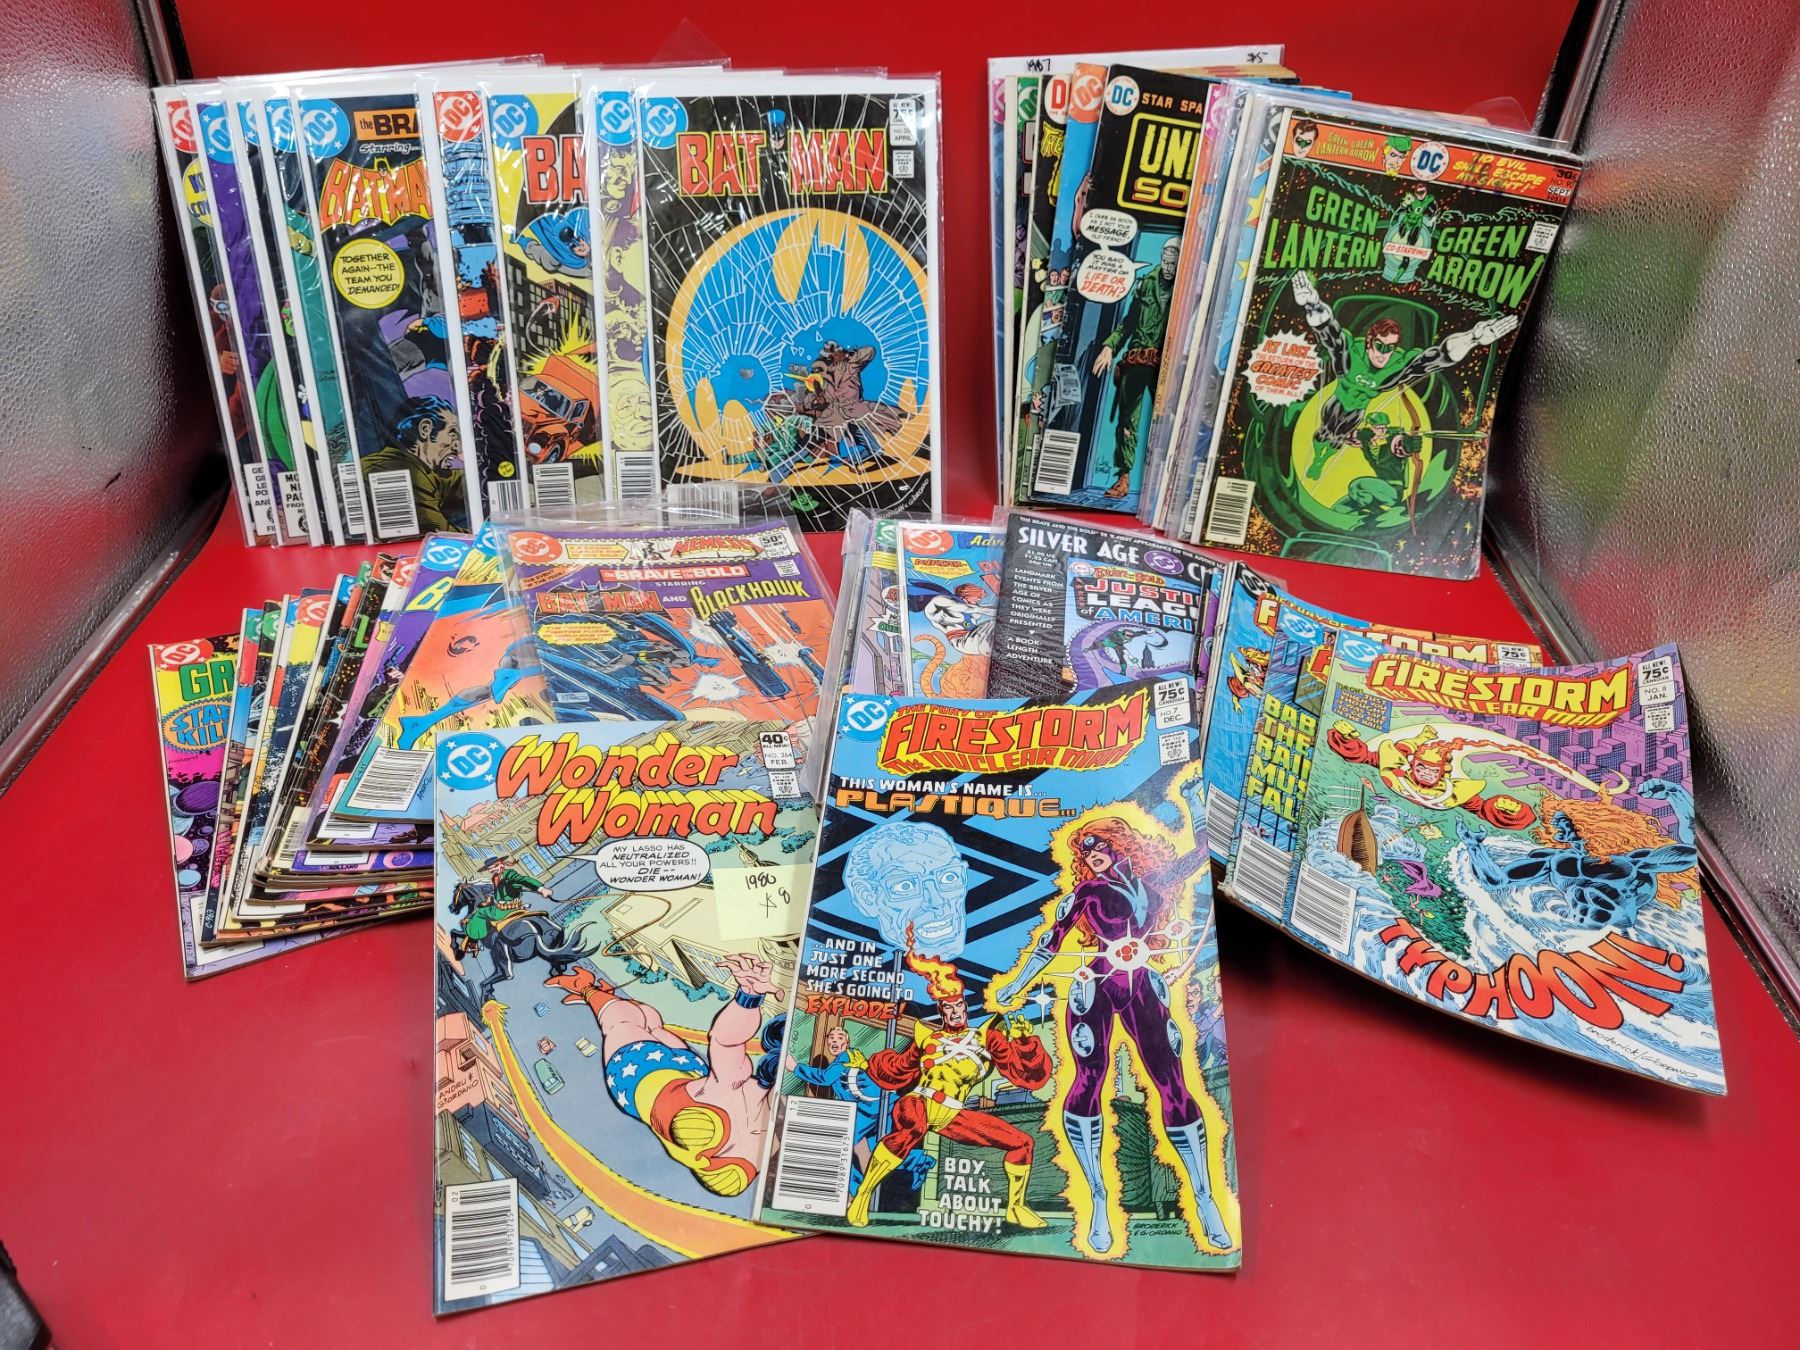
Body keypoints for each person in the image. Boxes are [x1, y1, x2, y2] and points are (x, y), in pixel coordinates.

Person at [993, 818, 1231, 1254]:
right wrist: (1018, 983)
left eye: (1096, 845)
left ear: (1119, 843)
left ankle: (1204, 1197)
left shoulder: (1153, 882)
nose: (1090, 854)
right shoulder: (1088, 892)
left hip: (1143, 985)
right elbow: (1052, 940)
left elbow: (1197, 856)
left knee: (1173, 1083)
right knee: (1089, 1081)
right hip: (1098, 987)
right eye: (1084, 851)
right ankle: (1099, 1199)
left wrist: (1197, 812)